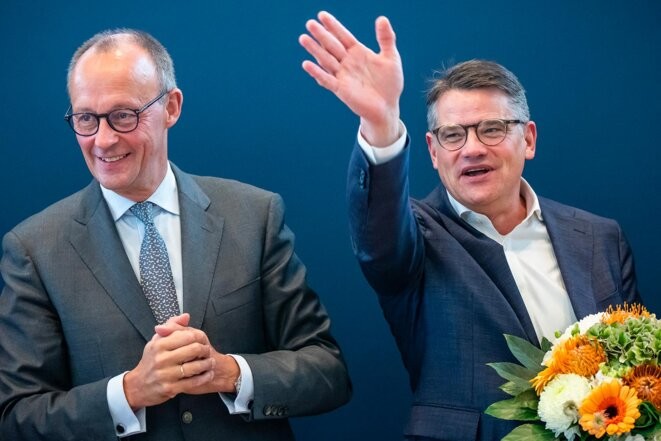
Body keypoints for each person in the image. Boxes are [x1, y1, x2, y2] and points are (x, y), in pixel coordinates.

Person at [299, 11, 642, 441]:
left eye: (492, 129)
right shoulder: (416, 237)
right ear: (433, 151)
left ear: (529, 139)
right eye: (453, 135)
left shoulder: (599, 237)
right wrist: (381, 123)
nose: (472, 148)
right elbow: (378, 240)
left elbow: (640, 365)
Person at [0, 28, 351, 440]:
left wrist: (231, 373)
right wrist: (129, 392)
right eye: (85, 119)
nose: (103, 139)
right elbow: (16, 416)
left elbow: (328, 372)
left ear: (171, 107)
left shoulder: (254, 215)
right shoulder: (34, 249)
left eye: (123, 115)